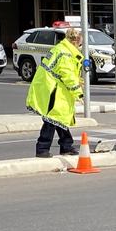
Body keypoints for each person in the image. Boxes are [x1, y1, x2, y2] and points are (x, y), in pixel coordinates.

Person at [26, 28, 83, 158]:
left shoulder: (62, 49)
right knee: (52, 118)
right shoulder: (66, 53)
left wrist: (77, 81)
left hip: (50, 86)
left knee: (59, 117)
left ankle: (66, 145)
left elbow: (65, 72)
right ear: (76, 40)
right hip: (54, 89)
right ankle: (42, 148)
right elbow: (66, 73)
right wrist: (78, 92)